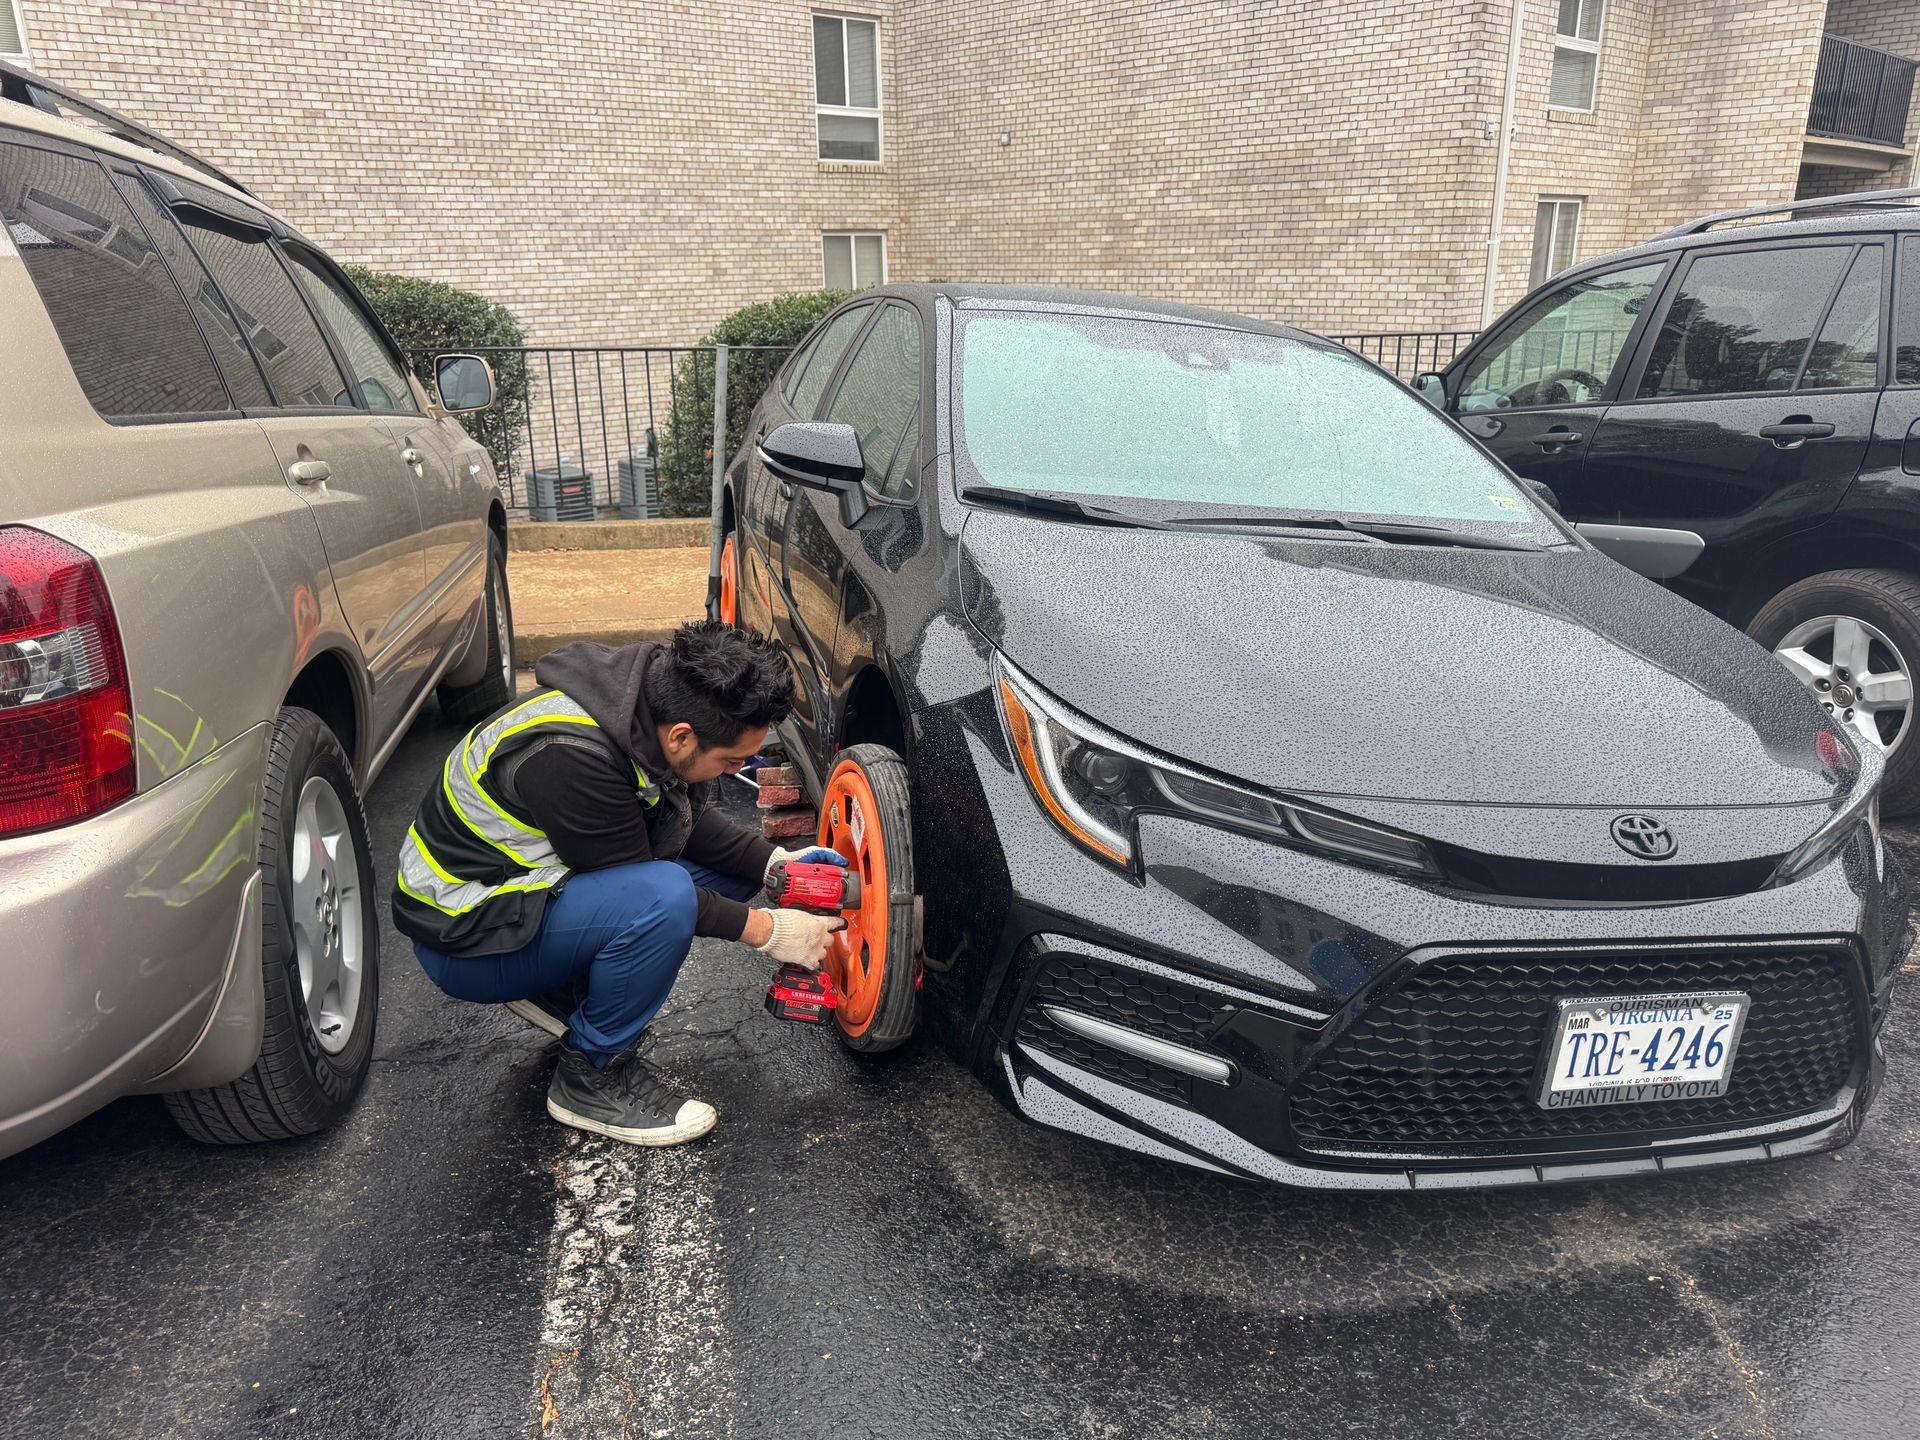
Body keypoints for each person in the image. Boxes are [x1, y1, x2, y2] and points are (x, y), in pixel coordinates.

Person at [392, 621, 846, 1147]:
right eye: (731, 760)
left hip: (518, 898)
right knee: (665, 898)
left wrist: (774, 864)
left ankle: (559, 992)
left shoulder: (644, 706)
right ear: (681, 737)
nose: (737, 771)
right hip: (464, 938)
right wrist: (769, 930)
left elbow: (674, 822)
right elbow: (646, 895)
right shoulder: (571, 755)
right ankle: (591, 1075)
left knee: (720, 875)